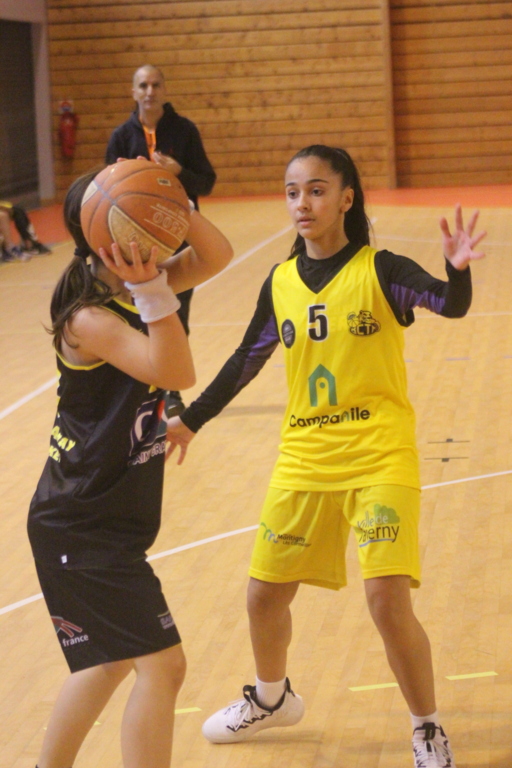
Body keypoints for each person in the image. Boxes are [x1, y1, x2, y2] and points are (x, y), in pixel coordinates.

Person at [165, 145, 487, 768]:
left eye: (316, 190)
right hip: (306, 456)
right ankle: (272, 699)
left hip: (379, 453)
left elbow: (452, 305)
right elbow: (246, 359)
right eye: (292, 192)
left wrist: (458, 270)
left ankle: (426, 727)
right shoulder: (281, 282)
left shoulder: (381, 269)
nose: (302, 203)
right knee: (263, 597)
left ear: (346, 198)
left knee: (386, 599)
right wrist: (191, 420)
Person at [27, 168, 233, 768]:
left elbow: (216, 253)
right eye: (142, 222)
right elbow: (176, 373)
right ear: (107, 237)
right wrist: (153, 290)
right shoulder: (88, 317)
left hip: (103, 516)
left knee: (108, 662)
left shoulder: (139, 283)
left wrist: (168, 196)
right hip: (80, 523)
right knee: (165, 665)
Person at [105, 65, 217, 416]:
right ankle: (140, 390)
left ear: (164, 90)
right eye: (143, 85)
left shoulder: (184, 131)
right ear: (134, 91)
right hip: (133, 243)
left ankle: (172, 391)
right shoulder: (121, 136)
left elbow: (207, 182)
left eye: (155, 84)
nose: (150, 91)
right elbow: (105, 191)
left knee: (175, 314)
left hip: (176, 237)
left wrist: (178, 172)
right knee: (134, 317)